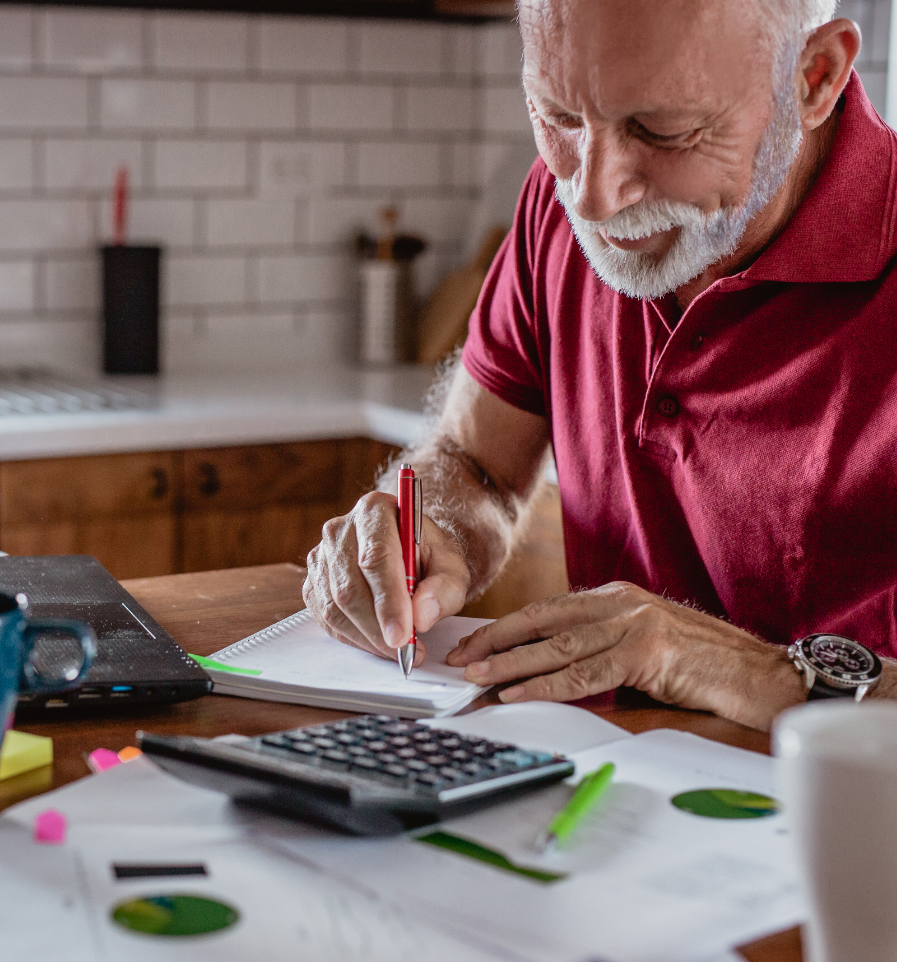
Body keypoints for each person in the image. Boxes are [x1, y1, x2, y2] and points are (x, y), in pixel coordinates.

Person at [304, 0, 897, 732]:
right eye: (557, 117)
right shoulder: (558, 206)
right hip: (612, 796)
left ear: (815, 77)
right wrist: (432, 527)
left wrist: (749, 670)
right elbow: (475, 464)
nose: (592, 194)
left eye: (664, 131)